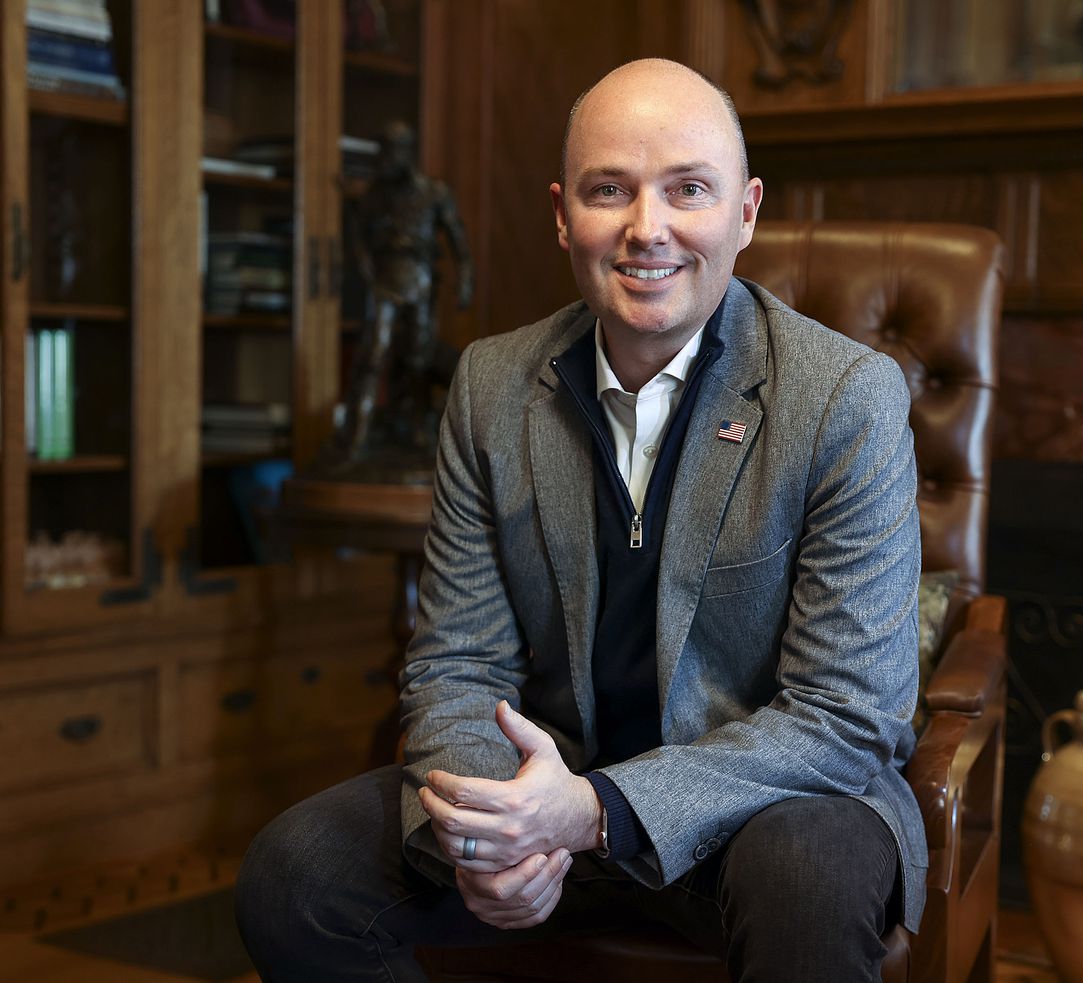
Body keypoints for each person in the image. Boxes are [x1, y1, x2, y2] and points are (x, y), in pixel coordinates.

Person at [236, 58, 925, 983]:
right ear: (564, 213)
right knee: (292, 877)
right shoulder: (490, 387)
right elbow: (457, 662)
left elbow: (844, 715)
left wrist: (599, 808)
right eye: (612, 190)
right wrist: (488, 841)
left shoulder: (845, 397)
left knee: (808, 873)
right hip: (543, 802)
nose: (649, 229)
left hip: (757, 812)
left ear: (747, 211)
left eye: (689, 189)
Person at [339, 120, 473, 459]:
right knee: (374, 353)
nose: (385, 160)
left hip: (421, 280)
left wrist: (465, 280)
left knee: (418, 356)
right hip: (385, 282)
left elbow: (458, 240)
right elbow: (361, 244)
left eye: (391, 152)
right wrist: (367, 267)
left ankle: (415, 430)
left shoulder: (433, 193)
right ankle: (356, 437)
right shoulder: (373, 197)